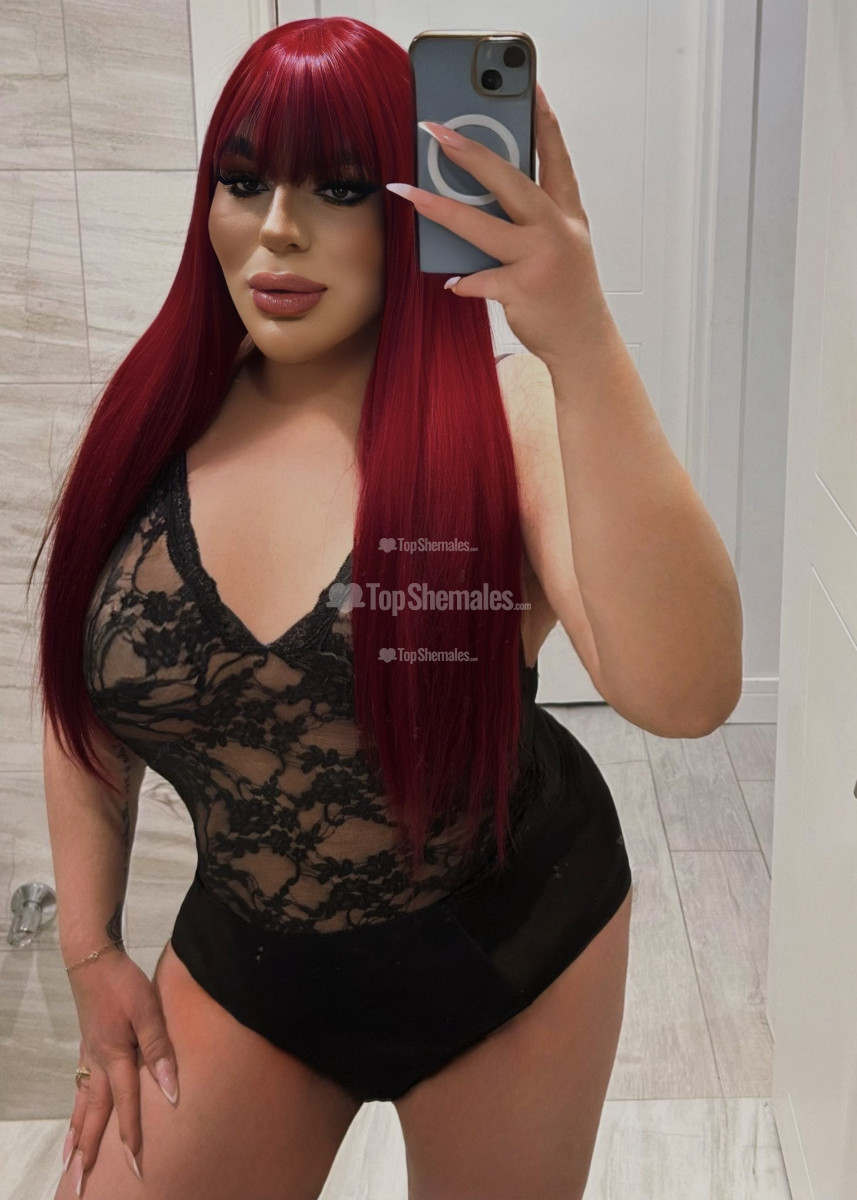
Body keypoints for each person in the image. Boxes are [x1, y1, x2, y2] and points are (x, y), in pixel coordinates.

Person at [34, 15, 742, 1200]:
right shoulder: (148, 428)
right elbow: (86, 701)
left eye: (341, 186)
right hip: (251, 963)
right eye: (244, 180)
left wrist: (579, 339)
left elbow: (686, 694)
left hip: (507, 946)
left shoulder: (503, 420)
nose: (277, 226)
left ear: (410, 207)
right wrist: (89, 946)